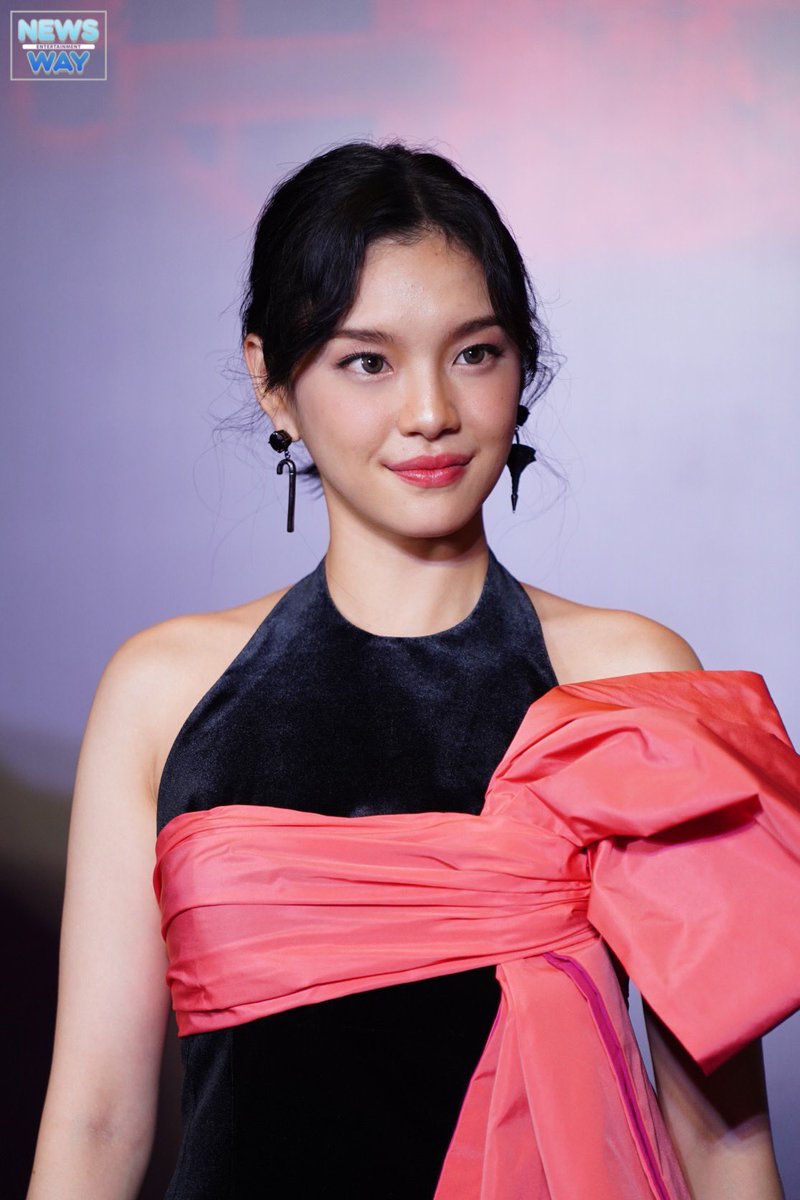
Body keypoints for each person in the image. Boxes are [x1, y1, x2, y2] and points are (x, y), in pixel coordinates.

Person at [27, 140, 799, 1200]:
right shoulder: (162, 694)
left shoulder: (628, 683)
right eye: (367, 362)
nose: (430, 411)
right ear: (271, 380)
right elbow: (98, 1121)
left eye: (474, 353)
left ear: (522, 367)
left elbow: (719, 1135)